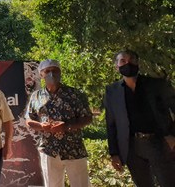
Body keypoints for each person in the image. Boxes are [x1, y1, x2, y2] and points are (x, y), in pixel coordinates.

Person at [104, 50, 175, 186]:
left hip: (159, 143)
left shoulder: (157, 85)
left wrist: (172, 135)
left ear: (138, 63)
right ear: (116, 66)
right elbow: (111, 123)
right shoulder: (112, 91)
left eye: (132, 60)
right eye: (123, 61)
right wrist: (114, 153)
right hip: (131, 147)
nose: (128, 63)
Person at [25, 59, 92, 187]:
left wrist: (67, 126)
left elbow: (87, 118)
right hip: (49, 149)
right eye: (47, 71)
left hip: (74, 148)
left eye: (55, 71)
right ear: (41, 74)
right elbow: (29, 120)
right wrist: (41, 126)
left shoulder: (75, 94)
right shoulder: (36, 96)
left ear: (60, 72)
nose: (51, 74)